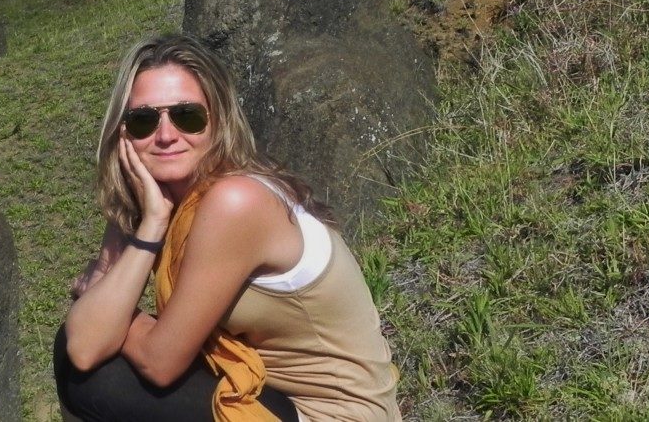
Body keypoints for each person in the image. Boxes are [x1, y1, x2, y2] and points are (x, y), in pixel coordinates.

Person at [55, 34, 401, 421]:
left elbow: (159, 362)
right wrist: (150, 224)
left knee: (106, 381)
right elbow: (83, 346)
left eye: (187, 116)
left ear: (218, 121)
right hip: (271, 394)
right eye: (143, 121)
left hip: (330, 414)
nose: (166, 136)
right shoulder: (150, 199)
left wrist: (114, 305)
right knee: (81, 362)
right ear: (123, 133)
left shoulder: (235, 202)